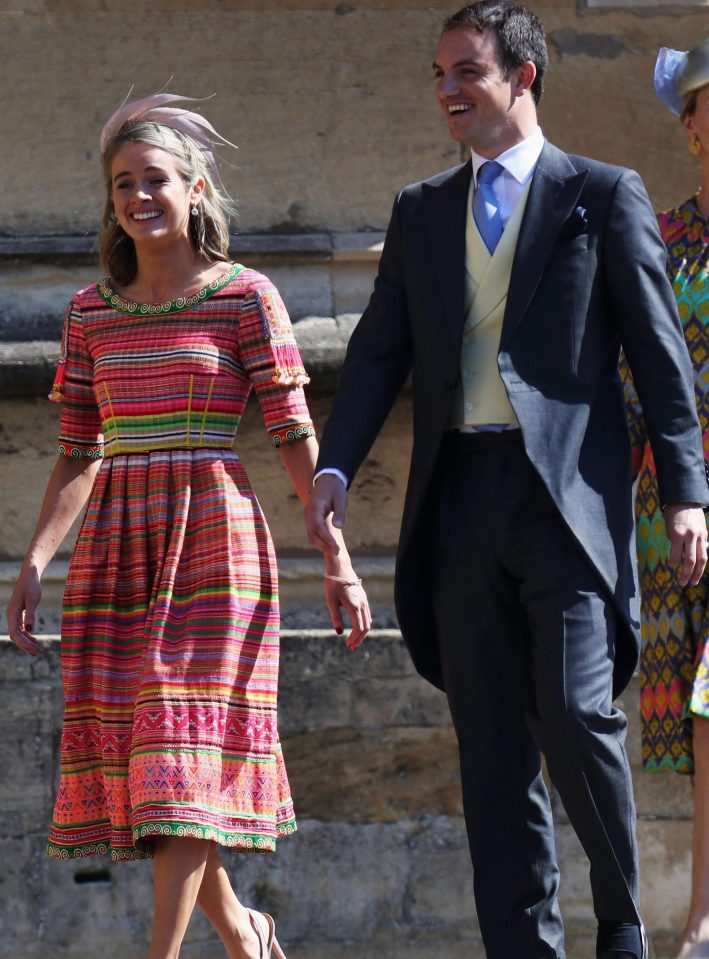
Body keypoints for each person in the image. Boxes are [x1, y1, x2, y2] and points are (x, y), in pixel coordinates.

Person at [304, 3, 709, 958]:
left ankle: (617, 922)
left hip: (565, 503)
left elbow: (659, 361)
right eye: (438, 74)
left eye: (466, 72)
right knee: (491, 749)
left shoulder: (602, 195)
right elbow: (375, 356)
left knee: (574, 713)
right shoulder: (419, 212)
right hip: (457, 502)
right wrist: (334, 463)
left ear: (523, 77)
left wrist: (688, 491)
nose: (446, 90)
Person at [5, 92, 370, 959]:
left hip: (215, 544)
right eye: (122, 183)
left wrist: (340, 560)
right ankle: (244, 933)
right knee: (157, 775)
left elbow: (293, 435)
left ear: (196, 186)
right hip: (114, 555)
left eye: (156, 178)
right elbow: (76, 451)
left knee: (181, 741)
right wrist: (30, 564)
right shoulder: (90, 313)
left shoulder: (247, 297)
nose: (139, 195)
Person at [622, 40, 709, 959]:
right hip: (679, 498)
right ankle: (702, 914)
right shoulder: (661, 240)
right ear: (689, 126)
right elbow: (628, 371)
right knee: (702, 697)